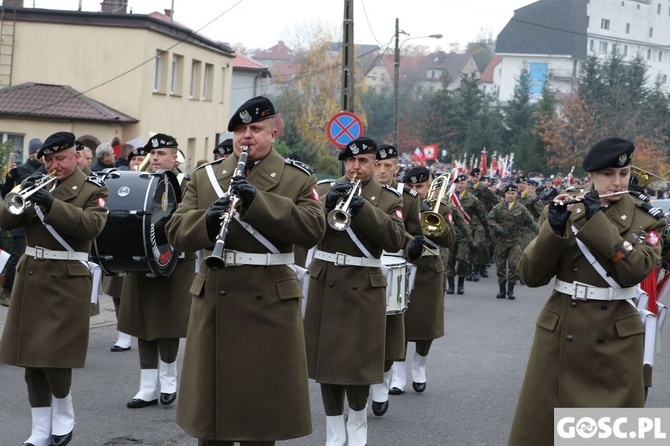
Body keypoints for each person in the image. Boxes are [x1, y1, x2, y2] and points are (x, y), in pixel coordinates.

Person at [165, 96, 325, 445]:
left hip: (268, 301)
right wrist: (206, 221)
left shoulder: (296, 178)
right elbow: (175, 232)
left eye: (255, 129)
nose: (246, 137)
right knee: (213, 421)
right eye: (239, 130)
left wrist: (258, 202)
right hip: (216, 300)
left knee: (260, 420)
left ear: (273, 132)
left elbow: (314, 228)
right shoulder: (206, 177)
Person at [508, 137, 666, 445]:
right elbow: (530, 275)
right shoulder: (567, 207)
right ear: (591, 176)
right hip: (561, 329)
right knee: (543, 432)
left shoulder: (647, 218)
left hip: (617, 335)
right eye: (608, 174)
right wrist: (552, 232)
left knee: (609, 435)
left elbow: (632, 271)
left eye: (623, 173)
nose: (617, 181)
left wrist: (596, 222)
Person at [0, 131, 108, 446]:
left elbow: (92, 225)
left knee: (55, 357)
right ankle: (39, 428)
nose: (54, 165)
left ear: (76, 156)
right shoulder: (35, 182)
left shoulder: (93, 189)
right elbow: (5, 221)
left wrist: (52, 204)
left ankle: (64, 411)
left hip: (67, 278)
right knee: (31, 359)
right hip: (31, 276)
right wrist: (21, 193)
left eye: (59, 158)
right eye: (49, 159)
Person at [303, 136, 405, 446]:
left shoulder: (389, 198)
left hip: (365, 286)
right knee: (327, 363)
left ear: (375, 165)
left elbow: (396, 239)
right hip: (326, 283)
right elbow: (304, 232)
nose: (355, 167)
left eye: (362, 161)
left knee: (359, 364)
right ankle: (334, 430)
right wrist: (327, 205)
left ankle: (358, 421)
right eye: (350, 161)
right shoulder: (322, 191)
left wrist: (363, 209)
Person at [116, 133, 195, 410]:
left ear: (175, 157)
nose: (156, 159)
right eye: (153, 154)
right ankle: (147, 386)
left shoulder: (187, 184)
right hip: (143, 261)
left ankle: (169, 380)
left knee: (167, 323)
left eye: (162, 154)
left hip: (174, 262)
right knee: (143, 323)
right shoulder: (140, 181)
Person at [388, 166, 456, 398]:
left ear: (429, 187)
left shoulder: (442, 207)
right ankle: (398, 373)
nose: (416, 190)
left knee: (427, 322)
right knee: (399, 320)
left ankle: (419, 364)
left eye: (420, 186)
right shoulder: (399, 203)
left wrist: (432, 221)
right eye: (411, 186)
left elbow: (450, 240)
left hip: (429, 268)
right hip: (403, 264)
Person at [370, 145, 424, 417]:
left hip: (393, 268)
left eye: (387, 166)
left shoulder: (408, 198)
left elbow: (412, 235)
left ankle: (382, 382)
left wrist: (413, 247)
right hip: (361, 268)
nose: (381, 171)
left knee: (390, 331)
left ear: (396, 168)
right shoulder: (357, 193)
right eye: (377, 165)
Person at [0, 138, 44, 307]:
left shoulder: (41, 168)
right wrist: (10, 177)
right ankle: (7, 290)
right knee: (19, 256)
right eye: (38, 152)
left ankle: (25, 292)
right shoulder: (24, 169)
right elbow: (12, 190)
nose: (42, 156)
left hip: (37, 220)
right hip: (21, 219)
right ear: (32, 153)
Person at [486, 183, 538, 300]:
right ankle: (502, 290)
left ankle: (511, 290)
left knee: (514, 265)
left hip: (515, 241)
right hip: (501, 242)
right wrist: (499, 229)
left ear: (516, 194)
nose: (510, 196)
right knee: (500, 266)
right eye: (508, 193)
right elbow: (490, 219)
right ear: (505, 194)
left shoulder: (521, 208)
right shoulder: (498, 207)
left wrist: (541, 234)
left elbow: (531, 222)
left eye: (513, 193)